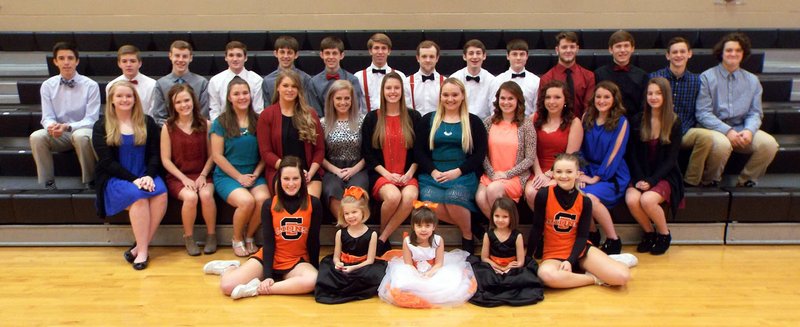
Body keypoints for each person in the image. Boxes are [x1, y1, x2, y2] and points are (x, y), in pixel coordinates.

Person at [213, 156, 321, 300]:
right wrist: (268, 275)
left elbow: (313, 241)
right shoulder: (269, 204)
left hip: (296, 261)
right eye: (286, 178)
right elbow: (269, 243)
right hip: (270, 257)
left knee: (312, 280)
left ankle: (257, 289)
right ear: (279, 179)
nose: (291, 183)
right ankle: (230, 268)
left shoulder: (313, 204)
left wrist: (315, 269)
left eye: (295, 178)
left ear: (302, 179)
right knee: (227, 286)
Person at [529, 153, 635, 288]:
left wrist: (570, 260)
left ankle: (610, 262)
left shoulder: (584, 201)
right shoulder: (544, 194)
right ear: (552, 174)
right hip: (553, 254)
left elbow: (582, 236)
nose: (563, 176)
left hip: (580, 251)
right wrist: (527, 258)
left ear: (577, 174)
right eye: (559, 171)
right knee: (546, 275)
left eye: (569, 172)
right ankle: (593, 278)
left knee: (622, 277)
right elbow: (536, 228)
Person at [93, 81, 167, 270]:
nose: (124, 99)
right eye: (119, 96)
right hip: (117, 177)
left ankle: (137, 247)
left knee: (161, 193)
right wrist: (134, 180)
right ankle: (142, 252)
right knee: (139, 197)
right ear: (111, 100)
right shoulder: (101, 125)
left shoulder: (147, 121)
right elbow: (107, 162)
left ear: (135, 99)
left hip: (145, 174)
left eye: (128, 96)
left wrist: (149, 176)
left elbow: (154, 154)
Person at [696, 32, 779, 187]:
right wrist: (727, 131)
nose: (733, 54)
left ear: (743, 54)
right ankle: (710, 181)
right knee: (722, 144)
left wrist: (749, 130)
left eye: (738, 50)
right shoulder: (707, 77)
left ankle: (746, 181)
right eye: (729, 50)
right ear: (721, 53)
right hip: (715, 129)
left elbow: (755, 113)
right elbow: (703, 113)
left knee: (769, 144)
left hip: (741, 129)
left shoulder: (752, 81)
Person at [415, 78, 488, 252]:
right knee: (428, 201)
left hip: (462, 174)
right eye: (445, 95)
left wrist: (458, 171)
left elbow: (480, 154)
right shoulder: (428, 120)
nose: (450, 99)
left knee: (453, 197)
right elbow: (418, 151)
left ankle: (467, 236)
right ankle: (472, 226)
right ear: (440, 97)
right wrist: (432, 172)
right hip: (434, 175)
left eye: (455, 94)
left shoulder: (473, 122)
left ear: (462, 96)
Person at [361, 71, 421, 254]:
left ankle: (381, 237)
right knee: (393, 196)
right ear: (382, 91)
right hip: (381, 174)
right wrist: (388, 175)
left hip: (408, 173)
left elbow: (419, 151)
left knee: (410, 197)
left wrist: (409, 174)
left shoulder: (414, 117)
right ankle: (382, 236)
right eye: (389, 88)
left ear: (402, 91)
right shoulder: (372, 118)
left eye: (396, 88)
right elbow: (368, 153)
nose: (393, 91)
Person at [210, 77, 269, 257]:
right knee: (246, 201)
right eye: (236, 94)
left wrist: (256, 173)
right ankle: (236, 238)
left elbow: (266, 152)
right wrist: (239, 177)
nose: (242, 97)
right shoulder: (220, 122)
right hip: (228, 175)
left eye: (245, 93)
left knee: (264, 200)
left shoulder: (259, 120)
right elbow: (217, 156)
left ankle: (249, 236)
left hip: (254, 173)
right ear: (229, 97)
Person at [625, 77, 684, 255]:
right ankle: (649, 233)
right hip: (640, 174)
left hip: (664, 175)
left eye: (658, 93)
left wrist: (651, 181)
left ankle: (664, 234)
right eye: (650, 93)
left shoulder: (674, 122)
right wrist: (639, 179)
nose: (653, 97)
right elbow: (632, 154)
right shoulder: (637, 120)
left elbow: (671, 160)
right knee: (632, 199)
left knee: (647, 200)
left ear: (665, 96)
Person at [378, 203, 476, 308]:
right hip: (413, 270)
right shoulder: (408, 241)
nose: (423, 229)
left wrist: (430, 273)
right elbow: (408, 264)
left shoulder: (438, 240)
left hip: (434, 269)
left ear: (434, 226)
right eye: (419, 226)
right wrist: (417, 275)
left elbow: (439, 263)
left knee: (449, 283)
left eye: (427, 226)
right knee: (402, 282)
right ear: (413, 226)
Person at [31, 41, 99, 190]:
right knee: (37, 136)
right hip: (59, 134)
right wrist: (52, 127)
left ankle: (90, 180)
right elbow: (47, 116)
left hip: (82, 129)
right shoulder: (47, 85)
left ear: (77, 61)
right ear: (55, 62)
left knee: (81, 136)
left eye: (70, 58)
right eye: (61, 58)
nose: (66, 62)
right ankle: (47, 182)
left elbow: (91, 119)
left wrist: (67, 127)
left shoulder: (91, 85)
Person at [160, 84, 217, 256]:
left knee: (206, 195)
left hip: (203, 174)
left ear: (193, 101)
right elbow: (165, 160)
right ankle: (189, 237)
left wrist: (203, 175)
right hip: (178, 177)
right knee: (191, 197)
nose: (183, 105)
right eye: (178, 102)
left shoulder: (206, 124)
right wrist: (184, 179)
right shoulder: (167, 127)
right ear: (173, 105)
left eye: (186, 100)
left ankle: (211, 235)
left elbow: (213, 155)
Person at [650, 37, 714, 187]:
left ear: (689, 54)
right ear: (668, 56)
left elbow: (700, 111)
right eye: (674, 52)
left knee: (705, 137)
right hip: (659, 130)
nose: (678, 55)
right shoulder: (654, 78)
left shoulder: (697, 81)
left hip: (684, 131)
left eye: (682, 51)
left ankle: (691, 182)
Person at [257, 70, 325, 199]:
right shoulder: (267, 115)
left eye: (294, 86)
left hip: (308, 172)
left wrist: (310, 173)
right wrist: (290, 172)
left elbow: (320, 150)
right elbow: (266, 153)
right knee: (289, 201)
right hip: (280, 171)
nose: (290, 90)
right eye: (285, 85)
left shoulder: (310, 114)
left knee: (310, 203)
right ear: (277, 87)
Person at [580, 81, 630, 255]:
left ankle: (613, 239)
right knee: (577, 194)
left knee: (590, 198)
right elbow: (580, 149)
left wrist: (597, 177)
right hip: (587, 171)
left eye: (606, 97)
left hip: (611, 174)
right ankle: (592, 234)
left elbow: (614, 154)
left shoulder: (621, 122)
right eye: (599, 96)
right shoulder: (586, 116)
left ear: (614, 99)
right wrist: (581, 173)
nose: (601, 100)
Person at [314, 186, 387, 304]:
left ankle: (351, 288)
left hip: (361, 266)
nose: (351, 216)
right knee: (326, 268)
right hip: (344, 264)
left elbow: (370, 260)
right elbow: (336, 256)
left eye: (354, 212)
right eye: (347, 213)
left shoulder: (372, 234)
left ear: (363, 211)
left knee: (376, 273)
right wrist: (338, 263)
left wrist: (353, 268)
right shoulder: (340, 233)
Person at [476, 81, 536, 219]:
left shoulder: (526, 124)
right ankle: (501, 231)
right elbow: (482, 153)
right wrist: (492, 173)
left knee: (493, 190)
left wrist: (506, 174)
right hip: (492, 174)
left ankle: (504, 233)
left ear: (518, 101)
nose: (506, 102)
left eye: (511, 98)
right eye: (503, 98)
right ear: (498, 100)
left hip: (514, 176)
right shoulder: (489, 122)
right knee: (480, 198)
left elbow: (530, 158)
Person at [469, 197, 544, 307]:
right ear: (492, 216)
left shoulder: (517, 236)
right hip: (494, 266)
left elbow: (521, 261)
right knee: (482, 276)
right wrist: (496, 267)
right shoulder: (488, 235)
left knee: (523, 278)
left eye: (505, 217)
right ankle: (499, 286)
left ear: (512, 217)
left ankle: (504, 287)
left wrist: (508, 268)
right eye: (497, 216)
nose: (500, 220)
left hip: (511, 268)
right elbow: (484, 257)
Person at [525, 80, 584, 211]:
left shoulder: (574, 123)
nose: (552, 101)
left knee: (547, 192)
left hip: (562, 170)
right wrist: (539, 173)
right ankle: (543, 227)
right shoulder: (533, 119)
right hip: (537, 169)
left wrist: (550, 174)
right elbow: (530, 151)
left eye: (557, 97)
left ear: (565, 101)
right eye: (548, 97)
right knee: (530, 192)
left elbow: (569, 158)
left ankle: (553, 229)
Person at [321, 80, 368, 221]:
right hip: (332, 168)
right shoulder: (323, 123)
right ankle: (346, 229)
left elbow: (369, 153)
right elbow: (319, 155)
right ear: (331, 100)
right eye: (339, 98)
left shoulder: (363, 121)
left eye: (347, 98)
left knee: (357, 190)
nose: (343, 102)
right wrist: (336, 171)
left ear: (353, 100)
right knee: (332, 189)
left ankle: (357, 230)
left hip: (358, 167)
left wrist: (353, 170)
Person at [594, 30, 649, 119]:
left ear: (632, 49)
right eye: (618, 46)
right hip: (606, 124)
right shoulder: (599, 74)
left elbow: (644, 106)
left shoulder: (642, 76)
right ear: (610, 50)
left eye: (626, 46)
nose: (622, 50)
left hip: (634, 126)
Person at [539, 31, 595, 118]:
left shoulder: (588, 76)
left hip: (582, 126)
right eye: (564, 47)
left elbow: (589, 108)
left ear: (577, 49)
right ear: (557, 50)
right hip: (555, 128)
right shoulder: (547, 78)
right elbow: (542, 108)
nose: (568, 50)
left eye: (572, 47)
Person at [153, 40, 209, 125]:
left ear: (191, 58)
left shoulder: (202, 83)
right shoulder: (160, 84)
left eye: (185, 56)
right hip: (170, 132)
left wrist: (189, 129)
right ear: (170, 56)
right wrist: (177, 130)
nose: (180, 60)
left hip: (196, 131)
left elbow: (203, 114)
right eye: (177, 56)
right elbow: (159, 117)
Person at [307, 36, 365, 116]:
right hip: (324, 125)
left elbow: (355, 107)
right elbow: (316, 112)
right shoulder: (313, 82)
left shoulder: (352, 80)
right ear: (321, 55)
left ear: (341, 55)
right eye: (327, 53)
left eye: (334, 53)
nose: (331, 57)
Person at [208, 41, 264, 121]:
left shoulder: (256, 80)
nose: (235, 59)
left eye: (239, 55)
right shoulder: (215, 81)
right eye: (231, 55)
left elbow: (258, 110)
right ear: (226, 58)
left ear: (245, 58)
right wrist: (220, 128)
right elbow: (214, 110)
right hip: (224, 127)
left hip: (250, 127)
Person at [355, 33, 407, 112]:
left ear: (389, 51)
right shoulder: (359, 77)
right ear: (370, 51)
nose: (380, 52)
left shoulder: (400, 76)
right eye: (376, 48)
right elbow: (356, 107)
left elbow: (405, 103)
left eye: (383, 48)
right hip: (368, 122)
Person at [262, 35, 313, 110]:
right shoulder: (267, 81)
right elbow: (268, 108)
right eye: (282, 52)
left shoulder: (305, 79)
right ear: (276, 53)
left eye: (289, 53)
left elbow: (307, 106)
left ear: (296, 55)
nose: (286, 56)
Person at [105, 45, 156, 117]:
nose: (128, 65)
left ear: (140, 63)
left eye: (132, 61)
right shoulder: (111, 85)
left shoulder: (152, 85)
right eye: (124, 61)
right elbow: (111, 112)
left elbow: (153, 113)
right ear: (119, 64)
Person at [491, 39, 539, 116]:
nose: (518, 58)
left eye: (522, 54)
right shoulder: (497, 80)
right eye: (514, 54)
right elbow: (494, 108)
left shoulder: (536, 81)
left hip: (528, 123)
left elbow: (537, 109)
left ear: (527, 56)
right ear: (507, 56)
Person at [450, 39, 496, 119]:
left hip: (484, 125)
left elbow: (494, 109)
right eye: (471, 53)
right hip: (459, 122)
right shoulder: (455, 78)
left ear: (484, 56)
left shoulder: (492, 80)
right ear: (464, 56)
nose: (475, 57)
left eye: (478, 53)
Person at [404, 40, 444, 116]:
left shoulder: (445, 83)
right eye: (424, 56)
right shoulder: (407, 83)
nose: (428, 60)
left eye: (431, 56)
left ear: (437, 58)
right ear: (418, 58)